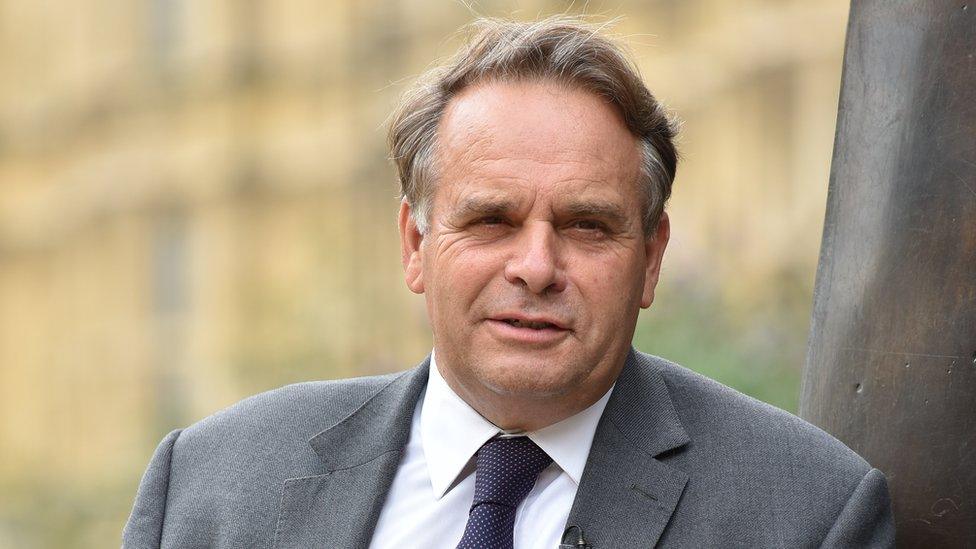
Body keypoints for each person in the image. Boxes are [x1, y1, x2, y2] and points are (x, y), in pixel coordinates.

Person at [123, 17, 895, 549]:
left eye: (587, 225)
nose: (535, 266)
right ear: (415, 243)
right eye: (491, 219)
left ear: (651, 258)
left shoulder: (806, 512)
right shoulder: (212, 488)